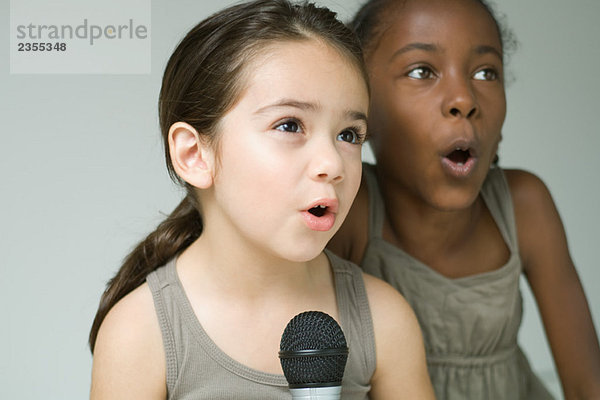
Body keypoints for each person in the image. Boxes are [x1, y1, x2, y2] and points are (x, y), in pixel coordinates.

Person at [88, 1, 435, 399]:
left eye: (349, 134)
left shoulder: (384, 319)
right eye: (289, 125)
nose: (332, 164)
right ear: (194, 156)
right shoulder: (140, 333)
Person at [327, 0, 600, 399]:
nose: (464, 98)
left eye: (486, 72)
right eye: (422, 71)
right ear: (361, 107)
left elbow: (586, 383)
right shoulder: (350, 209)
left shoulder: (525, 205)